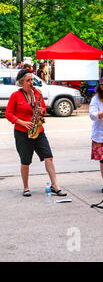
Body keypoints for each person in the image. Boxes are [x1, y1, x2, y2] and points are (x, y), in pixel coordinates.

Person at [5, 69, 66, 197]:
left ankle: (55, 185)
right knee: (25, 161)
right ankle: (26, 187)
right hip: (22, 132)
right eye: (28, 80)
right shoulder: (15, 96)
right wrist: (23, 123)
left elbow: (44, 109)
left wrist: (41, 110)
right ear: (21, 82)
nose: (31, 82)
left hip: (38, 130)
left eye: (32, 79)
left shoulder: (37, 93)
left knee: (48, 156)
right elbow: (9, 114)